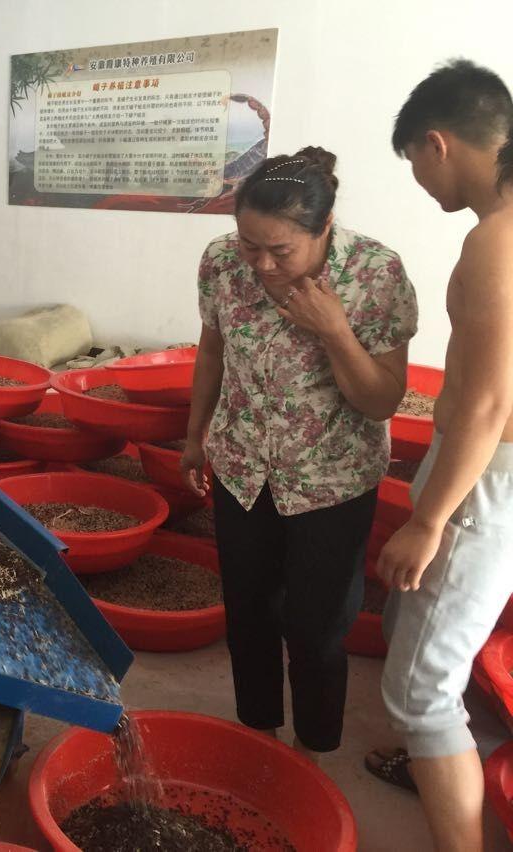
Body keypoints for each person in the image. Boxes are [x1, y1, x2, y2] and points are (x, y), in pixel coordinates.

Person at [182, 146, 418, 761]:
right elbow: (212, 351)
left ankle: (315, 747)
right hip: (242, 470)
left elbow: (381, 401)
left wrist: (334, 329)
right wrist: (194, 435)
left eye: (280, 251)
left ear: (325, 228)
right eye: (249, 244)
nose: (261, 264)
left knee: (316, 631)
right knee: (249, 616)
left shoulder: (375, 273)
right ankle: (257, 732)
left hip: (332, 482)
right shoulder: (220, 263)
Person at [365, 60, 513, 852]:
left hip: (484, 479)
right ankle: (435, 761)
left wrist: (428, 519)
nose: (422, 182)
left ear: (438, 143)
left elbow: (487, 406)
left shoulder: (496, 238)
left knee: (422, 688)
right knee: (414, 623)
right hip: (484, 473)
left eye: (417, 165)